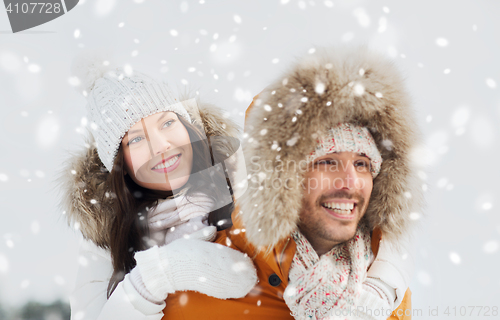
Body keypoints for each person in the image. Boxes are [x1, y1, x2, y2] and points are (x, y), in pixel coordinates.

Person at [159, 46, 420, 320]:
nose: (351, 182)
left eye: (362, 164)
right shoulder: (203, 284)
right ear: (279, 179)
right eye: (327, 162)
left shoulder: (380, 292)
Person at [59, 59, 257, 320]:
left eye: (167, 124)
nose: (161, 146)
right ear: (122, 165)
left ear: (187, 127)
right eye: (137, 139)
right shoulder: (107, 240)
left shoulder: (244, 184)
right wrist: (157, 275)